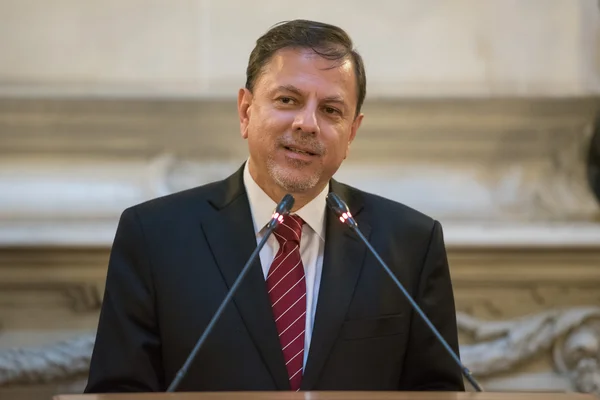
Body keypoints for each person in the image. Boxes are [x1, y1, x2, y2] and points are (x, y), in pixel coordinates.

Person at [85, 19, 465, 393]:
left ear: (351, 133)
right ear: (246, 111)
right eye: (288, 100)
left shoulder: (411, 244)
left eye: (331, 110)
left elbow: (436, 391)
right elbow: (120, 391)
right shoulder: (154, 236)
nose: (307, 124)